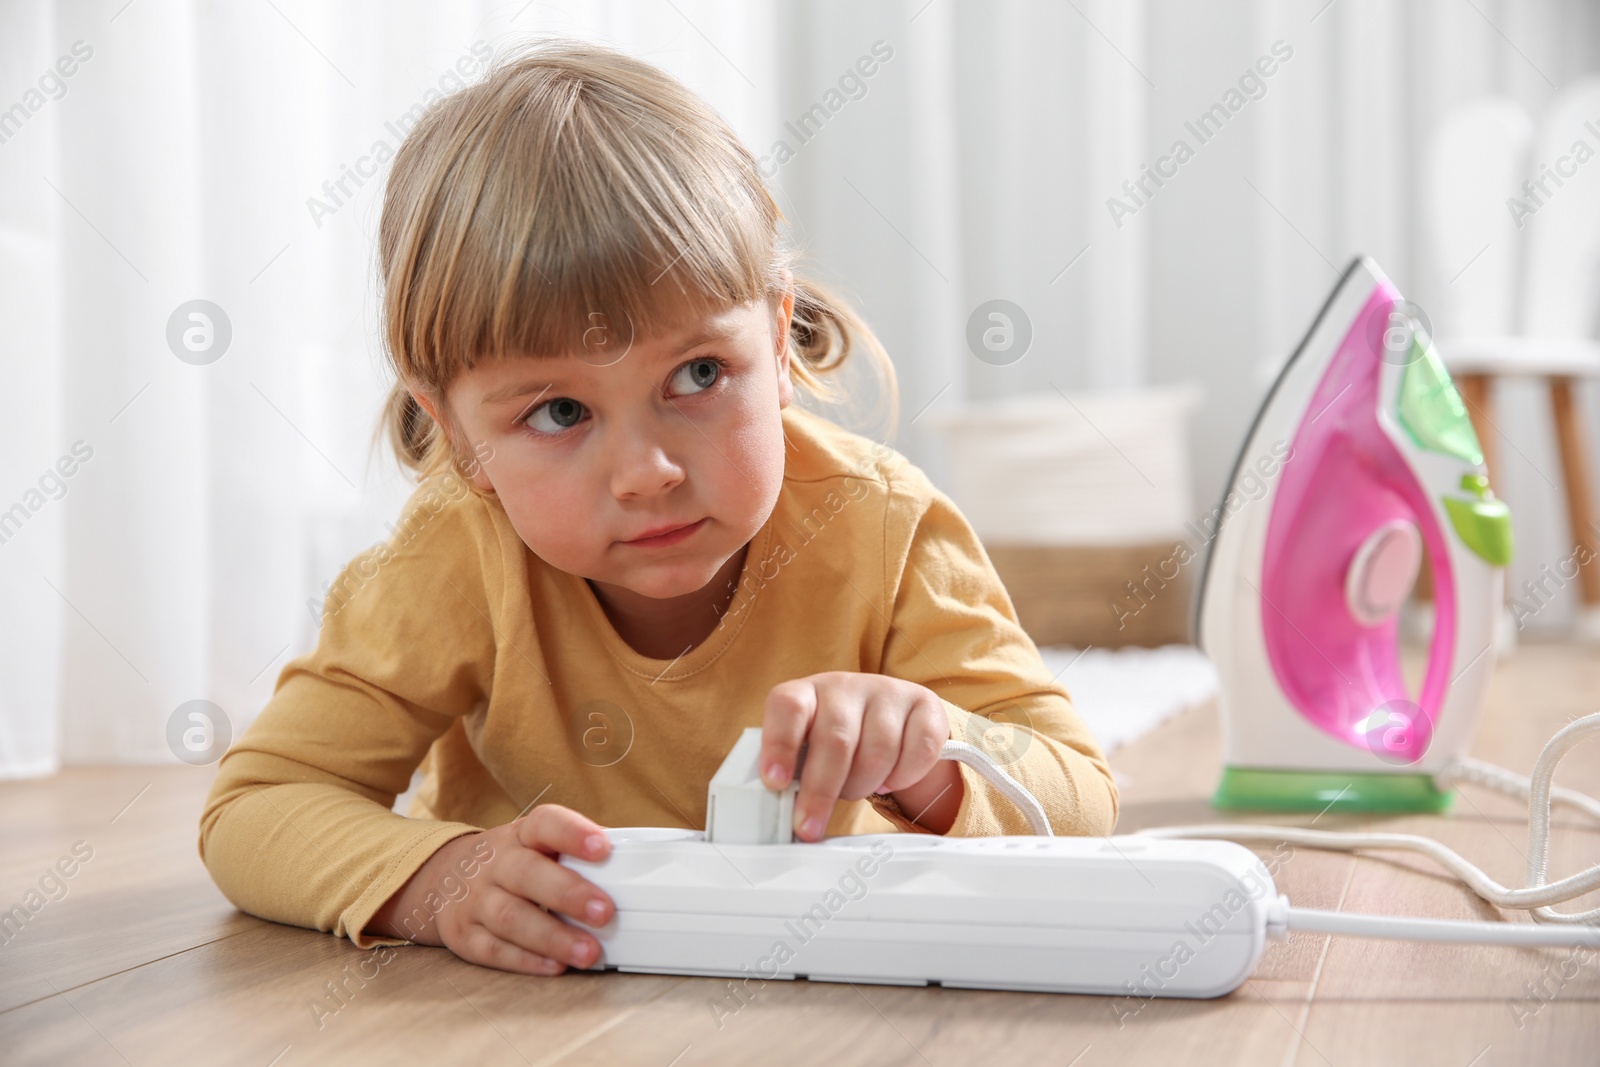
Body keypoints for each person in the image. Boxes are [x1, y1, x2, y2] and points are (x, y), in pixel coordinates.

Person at [198, 37, 1117, 978]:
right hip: (543, 1005)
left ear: (780, 339)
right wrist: (438, 879)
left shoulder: (881, 527)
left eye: (698, 373)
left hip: (825, 983)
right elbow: (259, 801)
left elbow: (1081, 797)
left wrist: (931, 756)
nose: (647, 472)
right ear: (461, 438)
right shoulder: (455, 553)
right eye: (559, 412)